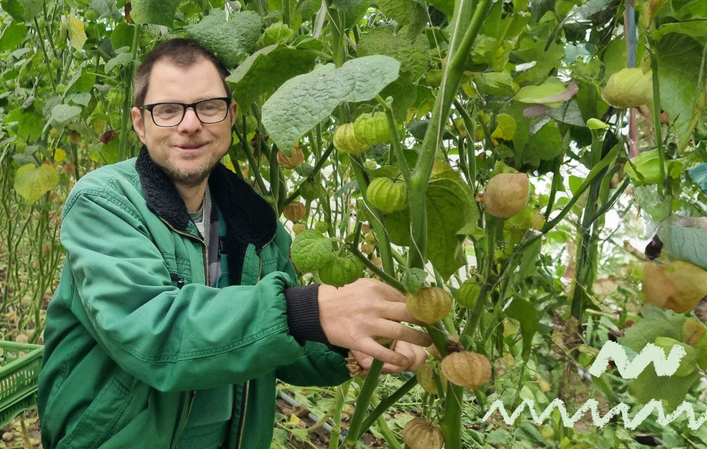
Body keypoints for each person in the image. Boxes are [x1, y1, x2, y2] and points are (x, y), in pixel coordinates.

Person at [37, 38, 432, 449]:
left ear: (231, 115)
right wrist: (307, 309)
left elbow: (283, 346)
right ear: (140, 123)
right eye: (168, 110)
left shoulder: (254, 220)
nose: (190, 124)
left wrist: (349, 339)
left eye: (209, 106)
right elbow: (150, 332)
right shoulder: (104, 201)